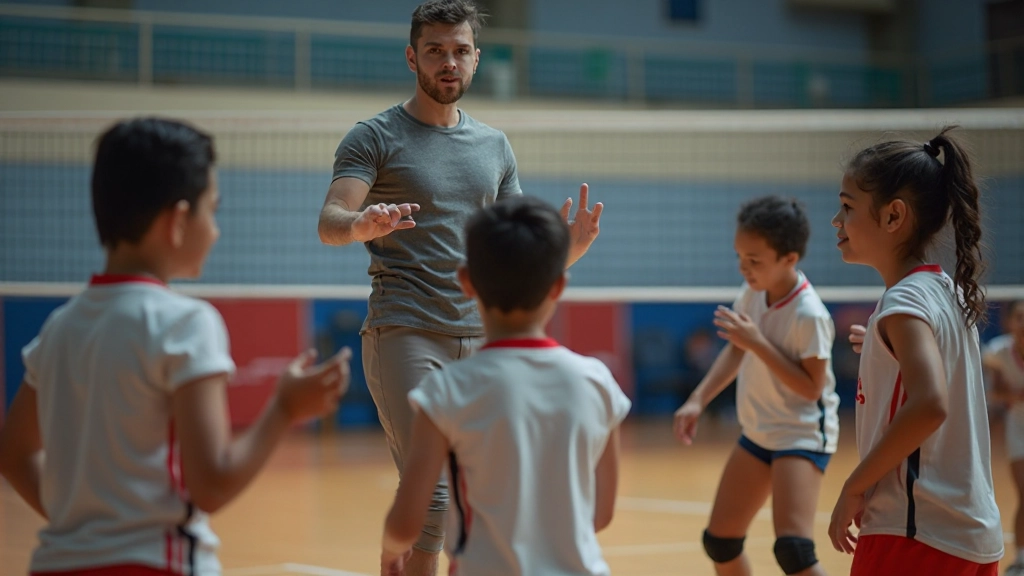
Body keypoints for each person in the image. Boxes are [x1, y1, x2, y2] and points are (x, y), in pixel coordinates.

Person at [316, 2, 602, 573]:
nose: (449, 61)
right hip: (406, 328)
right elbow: (330, 221)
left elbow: (513, 252)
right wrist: (360, 225)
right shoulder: (374, 136)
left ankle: (403, 553)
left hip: (483, 337)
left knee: (480, 500)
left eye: (460, 50)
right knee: (435, 496)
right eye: (435, 50)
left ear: (475, 58)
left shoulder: (495, 146)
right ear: (412, 57)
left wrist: (565, 251)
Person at [0, 118, 351, 576]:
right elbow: (212, 483)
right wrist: (284, 408)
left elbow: (14, 453)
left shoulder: (58, 328)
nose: (217, 230)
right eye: (213, 210)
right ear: (178, 220)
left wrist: (85, 528)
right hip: (157, 564)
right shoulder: (185, 323)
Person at [379, 196, 630, 576]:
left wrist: (391, 550)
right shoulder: (597, 381)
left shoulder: (446, 391)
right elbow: (601, 513)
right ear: (558, 286)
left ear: (466, 281)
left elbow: (407, 522)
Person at [827, 126, 1003, 574]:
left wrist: (854, 485)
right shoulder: (947, 292)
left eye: (847, 207)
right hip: (973, 537)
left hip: (915, 534)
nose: (836, 221)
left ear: (893, 216)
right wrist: (882, 350)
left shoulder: (904, 302)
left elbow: (929, 404)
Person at [673, 195, 838, 576]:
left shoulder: (809, 314)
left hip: (801, 434)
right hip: (759, 430)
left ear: (789, 258)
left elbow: (811, 389)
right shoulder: (752, 293)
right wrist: (698, 399)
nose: (744, 268)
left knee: (794, 551)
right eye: (740, 257)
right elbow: (737, 350)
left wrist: (758, 343)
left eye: (754, 260)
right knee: (720, 542)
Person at [984, 300, 1024, 576]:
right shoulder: (998, 352)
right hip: (1018, 427)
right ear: (1010, 322)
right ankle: (1021, 559)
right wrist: (1013, 395)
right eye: (1020, 317)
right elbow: (995, 392)